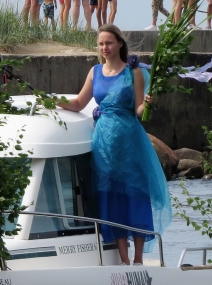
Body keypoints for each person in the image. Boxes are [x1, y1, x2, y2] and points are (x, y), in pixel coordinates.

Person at [58, 24, 171, 265]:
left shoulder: (135, 72)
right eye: (100, 44)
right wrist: (52, 102)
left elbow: (139, 110)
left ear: (120, 43)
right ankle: (123, 258)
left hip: (130, 141)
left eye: (108, 42)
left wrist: (149, 103)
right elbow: (79, 103)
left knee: (135, 193)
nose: (104, 47)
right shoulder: (95, 71)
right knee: (111, 195)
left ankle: (138, 258)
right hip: (104, 143)